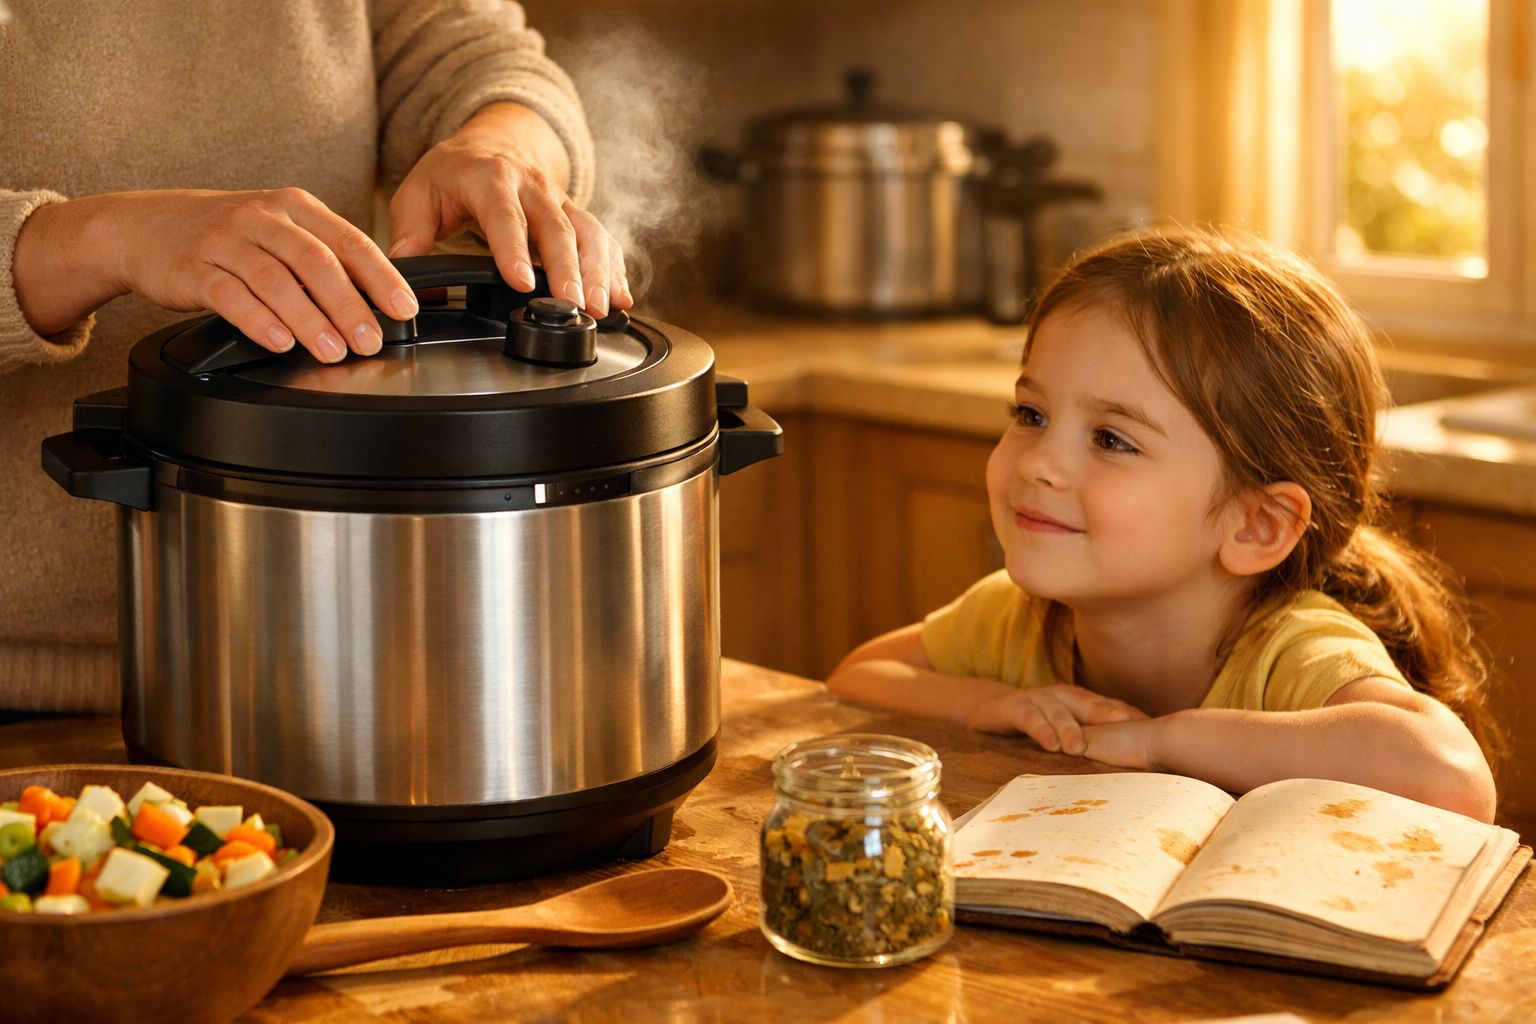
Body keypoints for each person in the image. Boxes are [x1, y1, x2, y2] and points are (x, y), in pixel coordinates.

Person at [0, 1, 629, 711]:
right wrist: (94, 241)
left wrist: (505, 146)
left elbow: (473, 52)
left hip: (351, 675)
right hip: (24, 699)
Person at [827, 229, 1499, 822]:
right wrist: (985, 704)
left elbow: (1451, 780)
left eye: (1113, 440)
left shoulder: (1291, 651)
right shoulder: (1013, 614)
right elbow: (857, 677)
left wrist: (1161, 741)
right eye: (1031, 415)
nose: (1040, 464)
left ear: (1257, 526)